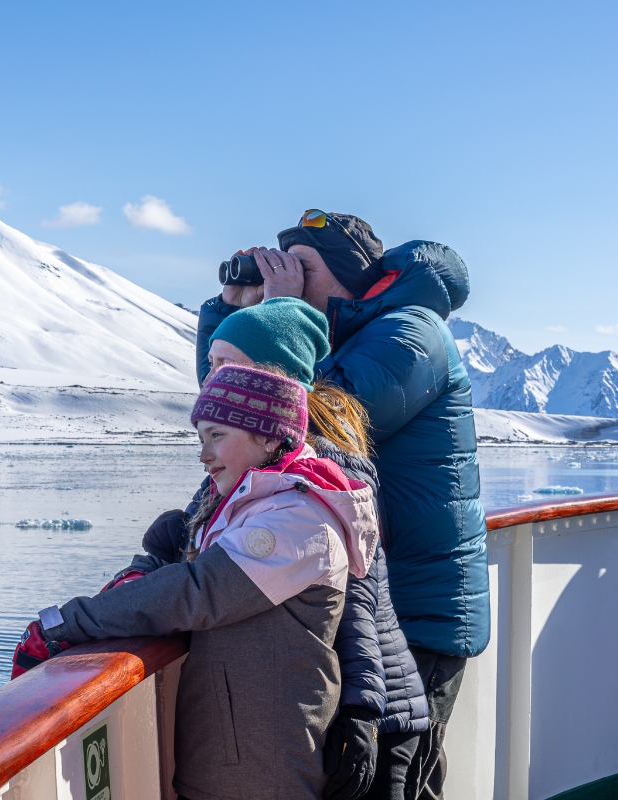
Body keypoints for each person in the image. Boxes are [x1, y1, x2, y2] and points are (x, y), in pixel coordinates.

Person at [196, 211, 490, 800]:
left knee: (397, 778)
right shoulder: (346, 337)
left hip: (416, 612)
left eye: (305, 268)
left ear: (351, 279)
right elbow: (229, 412)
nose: (291, 277)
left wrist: (282, 314)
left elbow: (304, 418)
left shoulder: (411, 331)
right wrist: (233, 313)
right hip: (363, 608)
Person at [19, 363, 379, 800]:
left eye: (218, 436)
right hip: (235, 755)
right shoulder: (249, 504)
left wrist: (65, 622)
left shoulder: (297, 519)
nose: (203, 454)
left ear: (269, 436)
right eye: (200, 437)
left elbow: (196, 591)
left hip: (265, 768)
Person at [144, 298, 430, 800]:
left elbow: (358, 596)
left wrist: (363, 711)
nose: (211, 376)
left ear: (270, 372)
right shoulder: (253, 459)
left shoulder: (322, 461)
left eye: (224, 364)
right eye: (210, 364)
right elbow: (195, 538)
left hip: (376, 710)